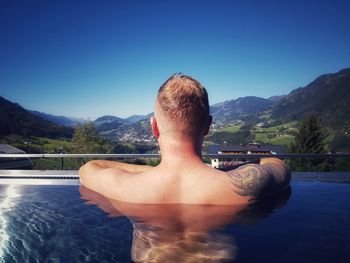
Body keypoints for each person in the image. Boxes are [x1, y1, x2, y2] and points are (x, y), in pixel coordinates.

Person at [79, 74, 291, 204]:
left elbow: (89, 167)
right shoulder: (243, 186)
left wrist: (154, 172)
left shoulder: (124, 186)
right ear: (208, 126)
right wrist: (222, 172)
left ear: (154, 127)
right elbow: (278, 165)